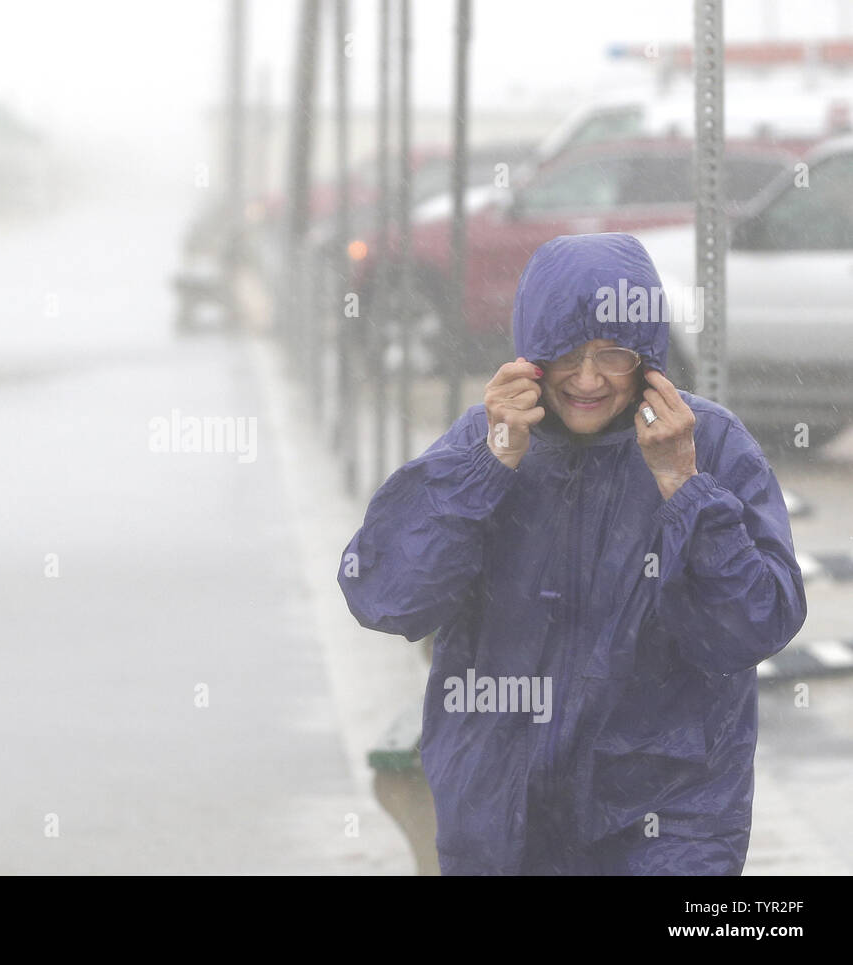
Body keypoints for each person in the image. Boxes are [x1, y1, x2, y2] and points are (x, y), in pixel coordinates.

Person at [337, 233, 807, 875]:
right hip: (502, 811)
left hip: (671, 814)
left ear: (648, 357)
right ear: (532, 355)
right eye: (564, 354)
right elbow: (386, 597)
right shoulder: (486, 439)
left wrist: (685, 489)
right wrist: (486, 468)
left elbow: (753, 626)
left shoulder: (709, 444)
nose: (588, 380)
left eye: (612, 355)